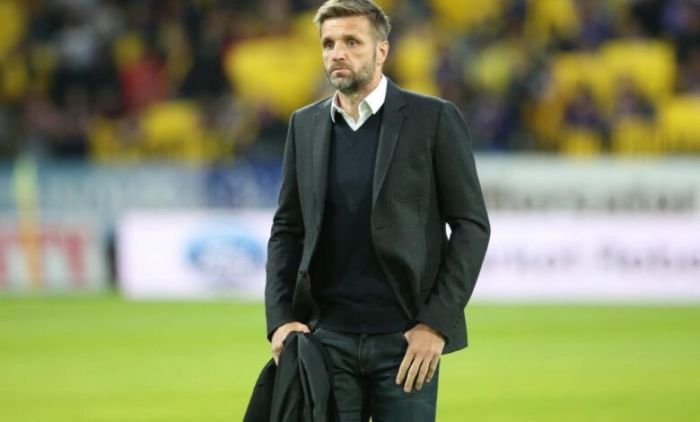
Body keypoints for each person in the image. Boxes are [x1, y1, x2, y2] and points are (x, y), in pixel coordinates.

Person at [265, 0, 490, 420]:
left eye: (352, 42)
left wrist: (436, 324)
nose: (338, 53)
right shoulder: (305, 125)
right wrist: (280, 319)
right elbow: (287, 229)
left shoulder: (433, 119)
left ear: (382, 50)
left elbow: (471, 226)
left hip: (405, 344)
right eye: (329, 43)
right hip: (326, 341)